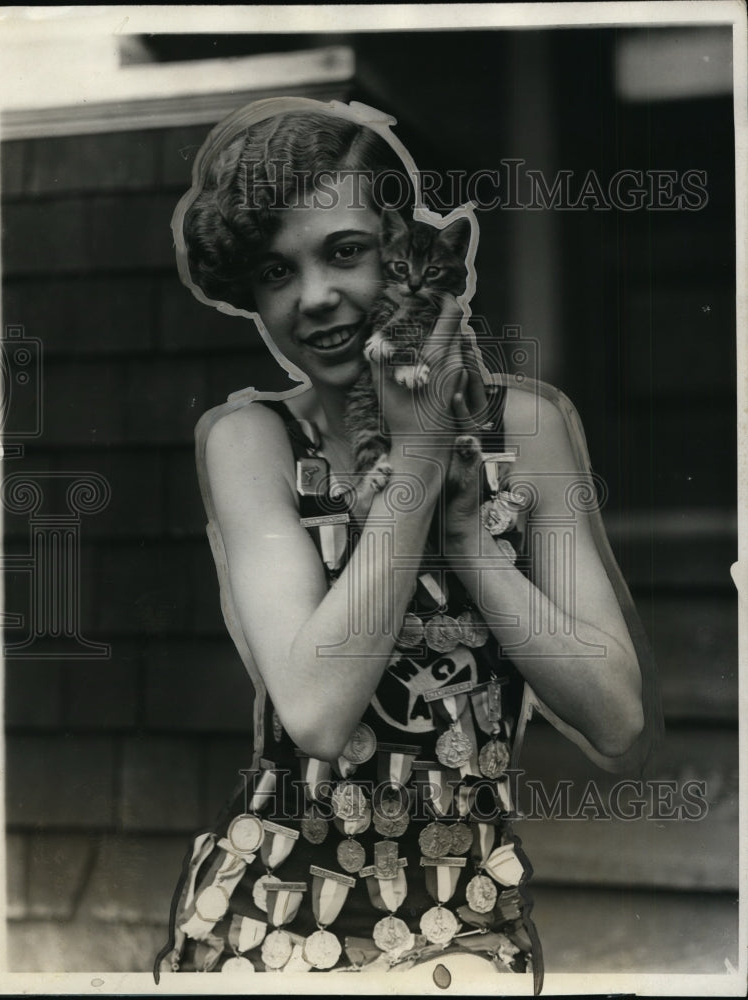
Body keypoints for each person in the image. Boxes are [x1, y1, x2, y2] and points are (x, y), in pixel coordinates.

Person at [155, 97, 660, 991]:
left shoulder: (529, 429)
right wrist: (421, 461)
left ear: (404, 241)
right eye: (276, 271)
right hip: (275, 920)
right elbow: (315, 711)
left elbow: (616, 719)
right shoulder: (253, 443)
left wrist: (469, 539)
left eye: (345, 249)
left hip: (463, 917)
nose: (314, 297)